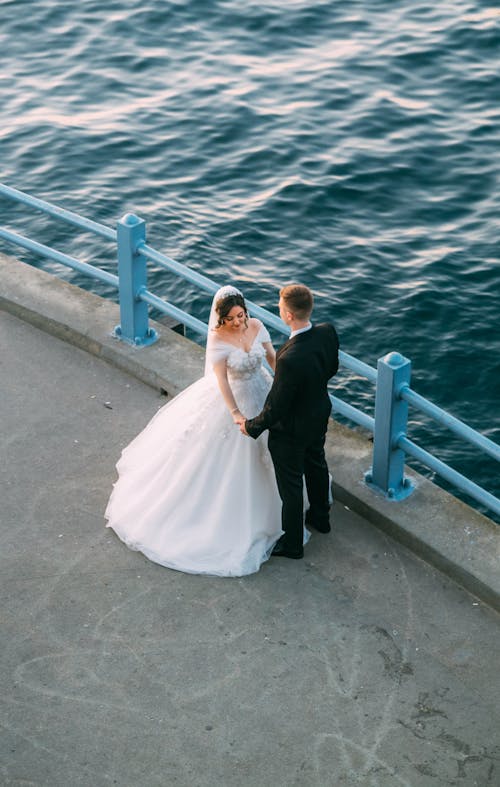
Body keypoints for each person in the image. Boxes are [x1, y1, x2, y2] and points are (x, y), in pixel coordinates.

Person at [104, 285, 285, 577]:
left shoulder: (257, 325)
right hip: (237, 399)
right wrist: (236, 413)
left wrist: (283, 384)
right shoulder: (217, 340)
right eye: (232, 319)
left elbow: (272, 356)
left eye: (241, 316)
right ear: (220, 320)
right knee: (231, 458)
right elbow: (223, 382)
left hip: (262, 391)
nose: (238, 323)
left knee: (273, 452)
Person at [239, 284, 339, 560]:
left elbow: (276, 408)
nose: (279, 311)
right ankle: (322, 519)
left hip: (291, 431)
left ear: (289, 316)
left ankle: (293, 544)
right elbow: (331, 368)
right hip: (318, 415)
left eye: (280, 307)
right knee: (317, 464)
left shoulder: (289, 358)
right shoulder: (327, 331)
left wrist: (252, 426)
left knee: (292, 486)